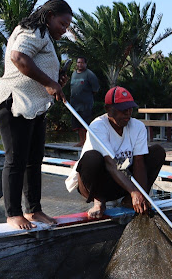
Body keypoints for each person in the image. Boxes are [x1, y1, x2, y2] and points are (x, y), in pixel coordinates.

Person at [0, 0, 73, 230]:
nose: (64, 31)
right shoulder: (34, 29)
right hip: (14, 102)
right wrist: (48, 82)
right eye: (62, 24)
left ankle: (33, 210)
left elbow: (37, 66)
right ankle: (13, 213)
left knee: (34, 161)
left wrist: (57, 80)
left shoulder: (44, 35)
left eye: (67, 27)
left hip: (34, 107)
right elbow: (18, 57)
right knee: (16, 160)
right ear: (50, 15)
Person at [65, 86, 166, 217]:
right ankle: (99, 201)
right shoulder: (98, 126)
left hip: (121, 183)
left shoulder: (138, 126)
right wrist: (134, 191)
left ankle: (130, 200)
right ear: (109, 110)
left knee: (157, 151)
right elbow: (111, 165)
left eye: (130, 108)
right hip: (94, 185)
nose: (128, 113)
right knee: (92, 157)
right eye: (123, 109)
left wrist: (140, 193)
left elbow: (139, 163)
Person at [70, 56, 100, 146]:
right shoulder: (73, 74)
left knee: (85, 124)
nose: (80, 64)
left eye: (82, 63)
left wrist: (86, 96)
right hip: (75, 104)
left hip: (85, 104)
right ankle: (81, 141)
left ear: (85, 64)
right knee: (77, 124)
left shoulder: (89, 74)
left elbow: (95, 89)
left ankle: (87, 142)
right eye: (78, 62)